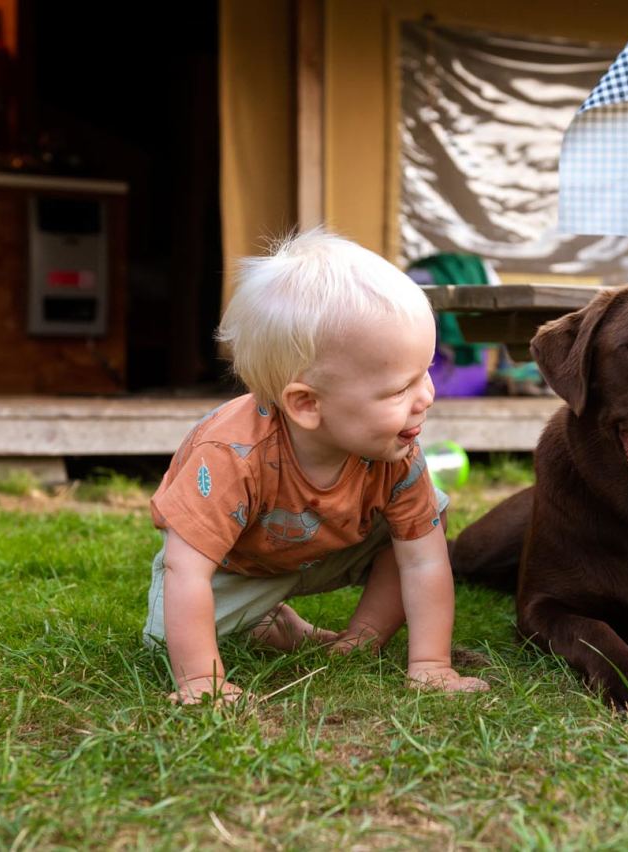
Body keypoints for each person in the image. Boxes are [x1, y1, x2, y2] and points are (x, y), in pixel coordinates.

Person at [143, 229, 488, 704]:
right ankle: (272, 621)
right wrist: (202, 679)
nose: (426, 397)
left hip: (330, 547)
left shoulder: (394, 448)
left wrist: (432, 665)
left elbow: (425, 559)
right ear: (306, 404)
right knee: (166, 638)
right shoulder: (232, 456)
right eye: (397, 390)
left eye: (425, 372)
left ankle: (361, 640)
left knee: (424, 523)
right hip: (237, 562)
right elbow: (187, 569)